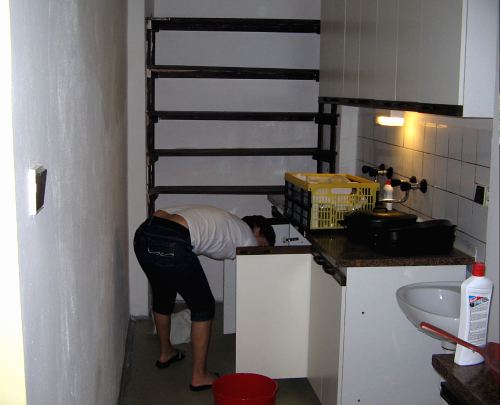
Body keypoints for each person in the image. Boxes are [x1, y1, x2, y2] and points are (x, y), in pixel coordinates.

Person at [133, 204, 276, 391]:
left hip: (144, 235)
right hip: (172, 240)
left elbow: (163, 216)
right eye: (263, 245)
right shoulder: (247, 236)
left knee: (163, 294)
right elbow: (255, 282)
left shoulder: (223, 218)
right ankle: (199, 376)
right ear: (256, 230)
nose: (260, 251)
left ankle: (166, 353)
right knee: (204, 306)